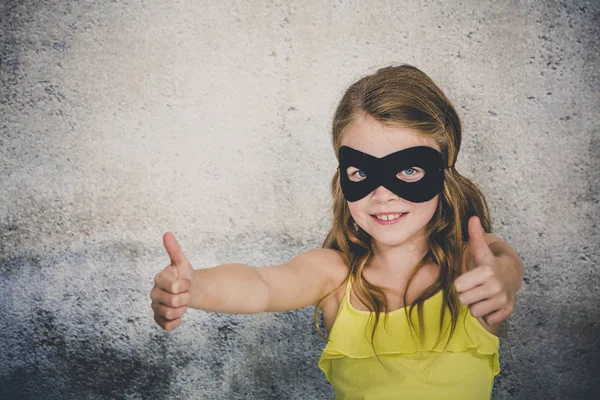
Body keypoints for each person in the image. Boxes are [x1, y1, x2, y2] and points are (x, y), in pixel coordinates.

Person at [150, 64, 524, 399]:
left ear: (444, 172)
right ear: (343, 175)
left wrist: (502, 279)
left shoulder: (468, 267)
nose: (383, 194)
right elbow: (262, 285)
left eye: (409, 170)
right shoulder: (335, 276)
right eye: (363, 172)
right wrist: (194, 287)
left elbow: (503, 261)